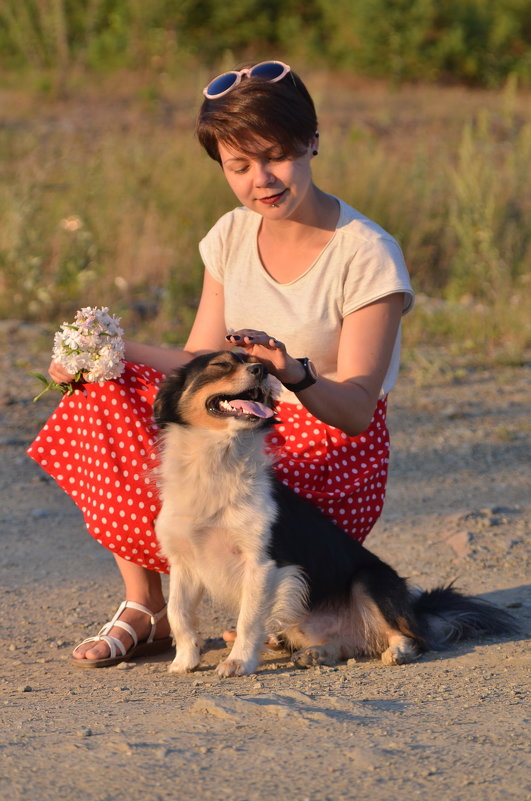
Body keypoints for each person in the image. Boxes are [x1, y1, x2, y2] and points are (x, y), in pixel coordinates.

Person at [27, 60, 414, 667]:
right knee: (96, 388)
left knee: (208, 443)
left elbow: (359, 409)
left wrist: (293, 371)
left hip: (324, 459)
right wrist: (104, 353)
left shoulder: (367, 254)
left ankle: (266, 608)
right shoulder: (231, 234)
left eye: (276, 155)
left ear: (312, 140)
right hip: (242, 423)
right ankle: (147, 606)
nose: (262, 179)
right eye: (239, 166)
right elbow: (199, 359)